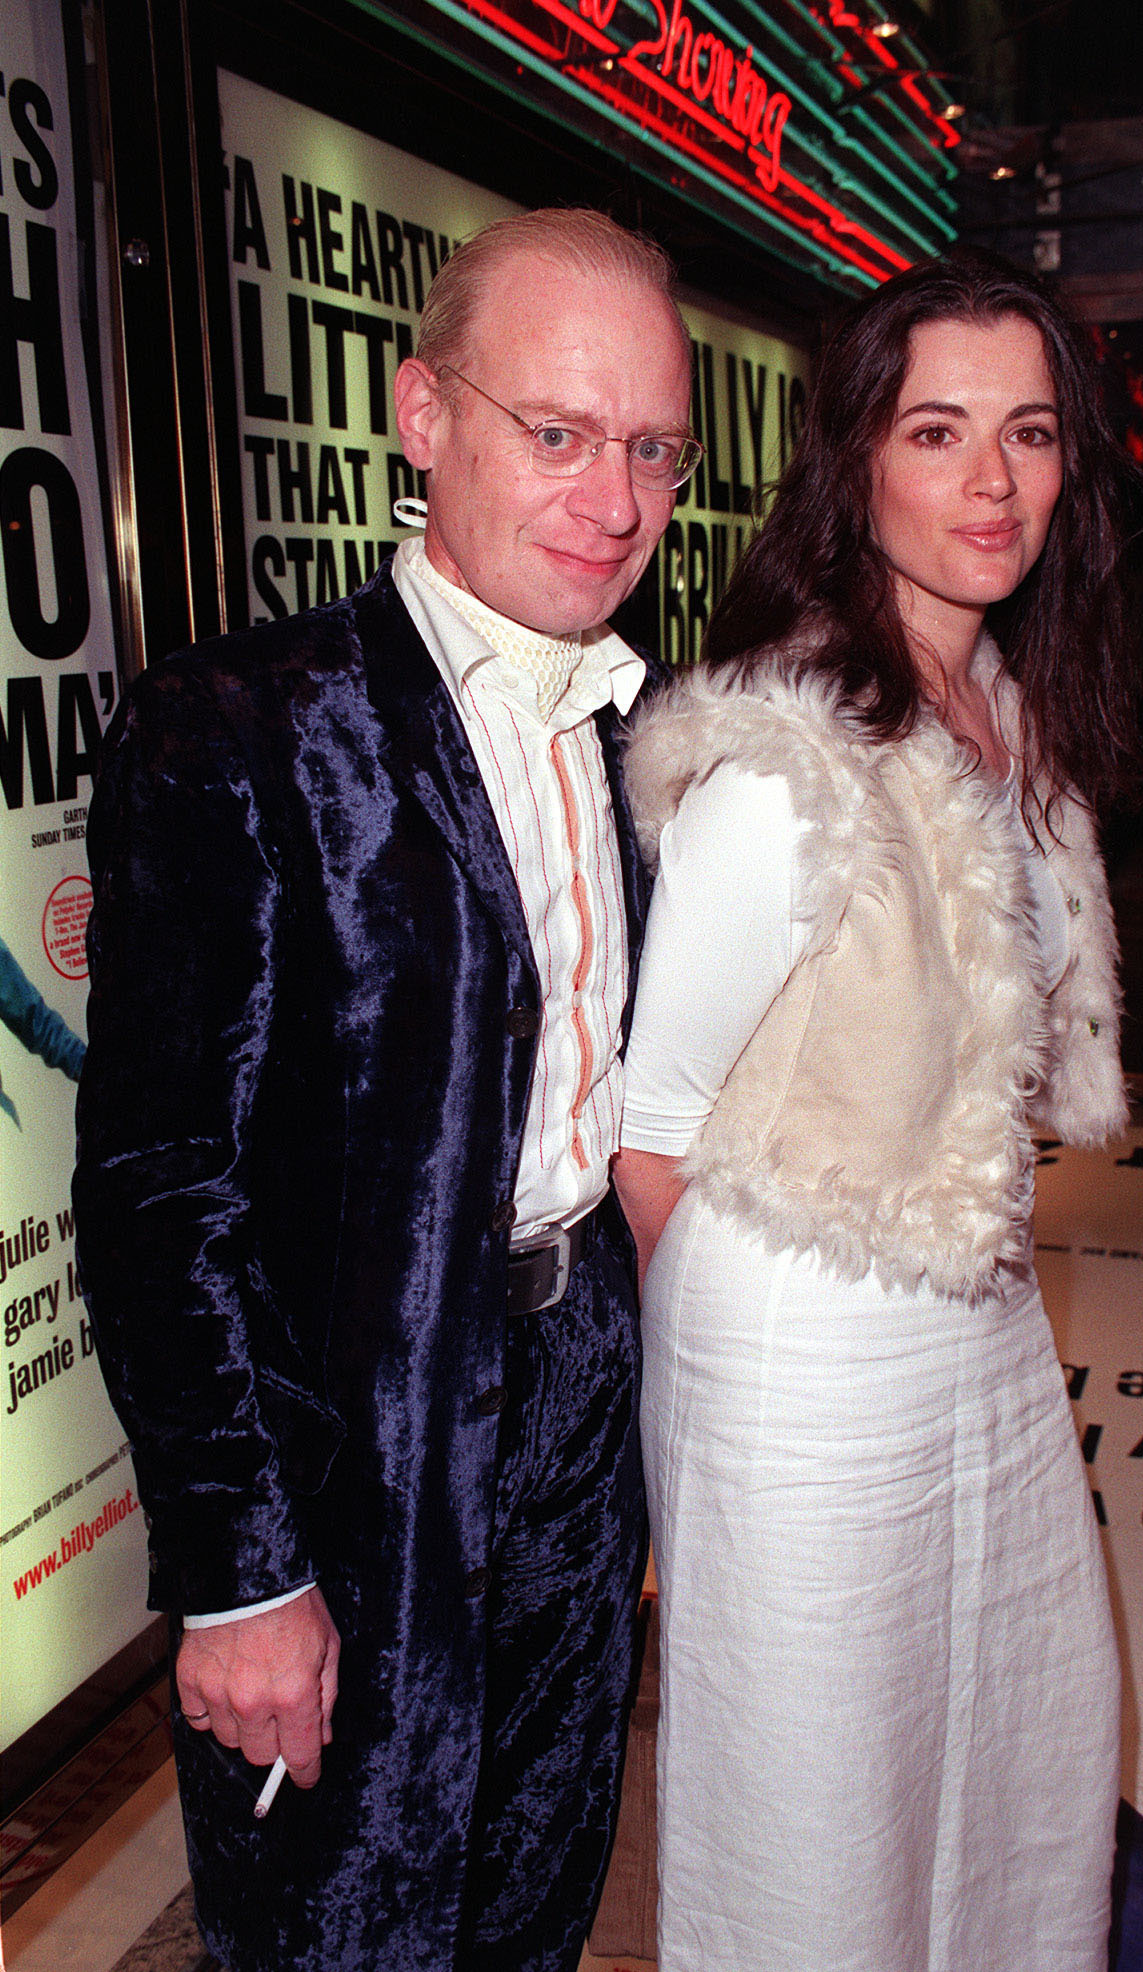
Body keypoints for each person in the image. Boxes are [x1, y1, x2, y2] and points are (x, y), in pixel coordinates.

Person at [73, 206, 699, 1972]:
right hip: (350, 1470)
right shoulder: (242, 726)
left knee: (535, 1902)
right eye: (556, 433)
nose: (614, 499)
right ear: (423, 416)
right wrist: (238, 1569)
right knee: (337, 1933)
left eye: (651, 449)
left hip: (579, 1410)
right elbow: (153, 1186)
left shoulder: (651, 738)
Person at [613, 250, 1138, 1972]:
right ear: (859, 461)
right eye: (939, 430)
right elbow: (652, 1135)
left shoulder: (1006, 712)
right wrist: (736, 1443)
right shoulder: (789, 760)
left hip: (977, 1327)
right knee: (814, 1823)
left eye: (1032, 432)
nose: (993, 481)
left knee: (1022, 1753)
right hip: (801, 1362)